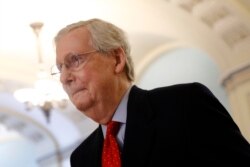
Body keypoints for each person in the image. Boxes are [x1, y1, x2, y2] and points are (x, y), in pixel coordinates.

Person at [52, 18, 250, 167]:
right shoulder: (82, 157)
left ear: (117, 58)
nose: (64, 78)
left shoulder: (185, 105)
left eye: (75, 61)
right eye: (61, 68)